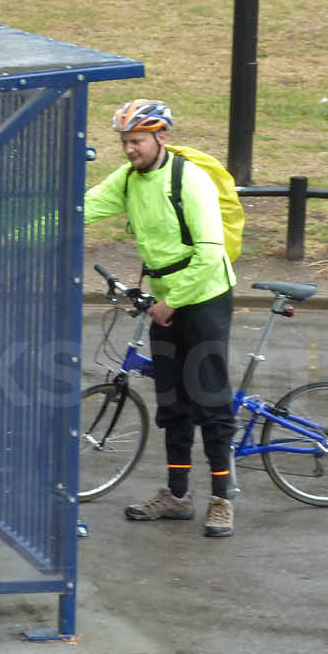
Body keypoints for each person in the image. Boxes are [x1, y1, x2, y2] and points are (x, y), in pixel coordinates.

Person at [83, 99, 239, 537]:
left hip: (204, 298)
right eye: (125, 142)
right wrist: (7, 234)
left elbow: (211, 254)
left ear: (161, 138)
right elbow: (83, 208)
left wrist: (172, 303)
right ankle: (176, 495)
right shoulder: (130, 178)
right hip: (166, 300)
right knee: (172, 402)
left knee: (210, 399)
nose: (129, 150)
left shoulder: (191, 182)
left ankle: (222, 501)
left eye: (137, 141)